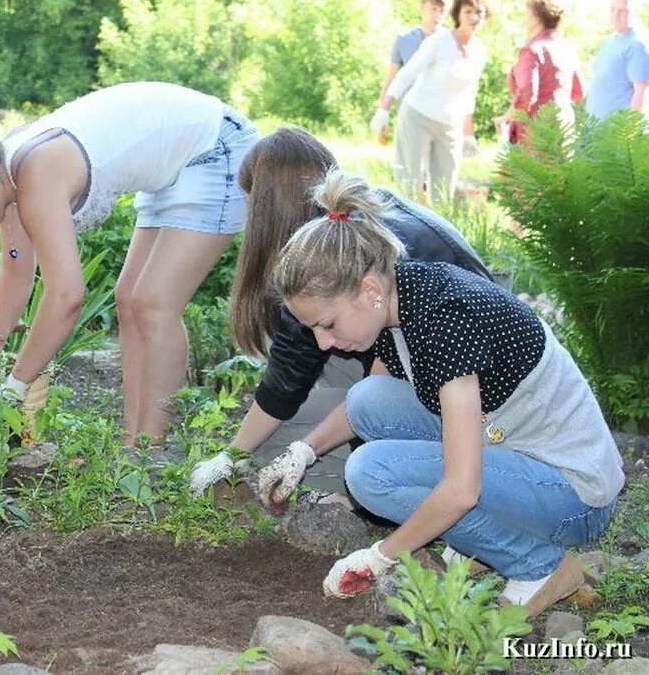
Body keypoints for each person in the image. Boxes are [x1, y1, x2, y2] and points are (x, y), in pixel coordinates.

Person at [253, 168, 624, 618]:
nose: (322, 343)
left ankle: (538, 567)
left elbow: (461, 489)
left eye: (326, 324)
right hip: (513, 450)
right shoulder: (398, 299)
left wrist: (381, 556)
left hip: (574, 495)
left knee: (371, 472)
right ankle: (478, 543)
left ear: (368, 289)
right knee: (371, 398)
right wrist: (302, 452)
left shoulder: (449, 317)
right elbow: (365, 407)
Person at [0, 82, 259, 444]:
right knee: (129, 299)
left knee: (154, 304)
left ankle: (150, 455)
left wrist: (14, 388)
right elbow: (17, 268)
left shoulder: (35, 172)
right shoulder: (6, 178)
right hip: (174, 162)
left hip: (214, 147)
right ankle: (134, 445)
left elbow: (67, 296)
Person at [189, 126, 491, 497]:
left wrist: (322, 466)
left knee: (278, 448)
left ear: (265, 204)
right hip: (426, 360)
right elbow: (293, 363)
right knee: (289, 422)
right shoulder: (346, 223)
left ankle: (395, 482)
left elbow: (371, 391)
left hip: (471, 386)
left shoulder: (336, 257)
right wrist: (234, 456)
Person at [371, 0, 490, 203]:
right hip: (418, 116)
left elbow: (469, 93)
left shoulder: (480, 51)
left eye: (479, 12)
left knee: (444, 189)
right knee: (410, 183)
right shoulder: (440, 41)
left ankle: (437, 234)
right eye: (468, 12)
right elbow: (407, 74)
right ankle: (406, 232)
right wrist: (384, 109)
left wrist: (468, 133)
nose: (474, 17)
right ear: (457, 14)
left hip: (450, 124)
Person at [498, 0, 583, 146]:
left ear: (537, 18)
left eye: (527, 14)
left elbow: (525, 97)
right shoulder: (567, 49)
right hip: (565, 132)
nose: (524, 19)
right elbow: (578, 93)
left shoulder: (533, 51)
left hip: (536, 135)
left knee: (532, 170)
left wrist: (505, 118)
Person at [376, 0, 446, 149]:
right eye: (433, 9)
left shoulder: (449, 41)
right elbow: (392, 77)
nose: (438, 15)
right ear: (422, 8)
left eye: (442, 10)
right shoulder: (404, 40)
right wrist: (382, 110)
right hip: (410, 112)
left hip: (440, 114)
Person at [586, 0, 649, 120]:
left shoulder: (636, 45)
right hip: (596, 131)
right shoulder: (608, 41)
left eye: (622, 11)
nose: (615, 15)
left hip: (616, 135)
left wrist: (630, 134)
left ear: (634, 13)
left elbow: (641, 93)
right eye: (612, 9)